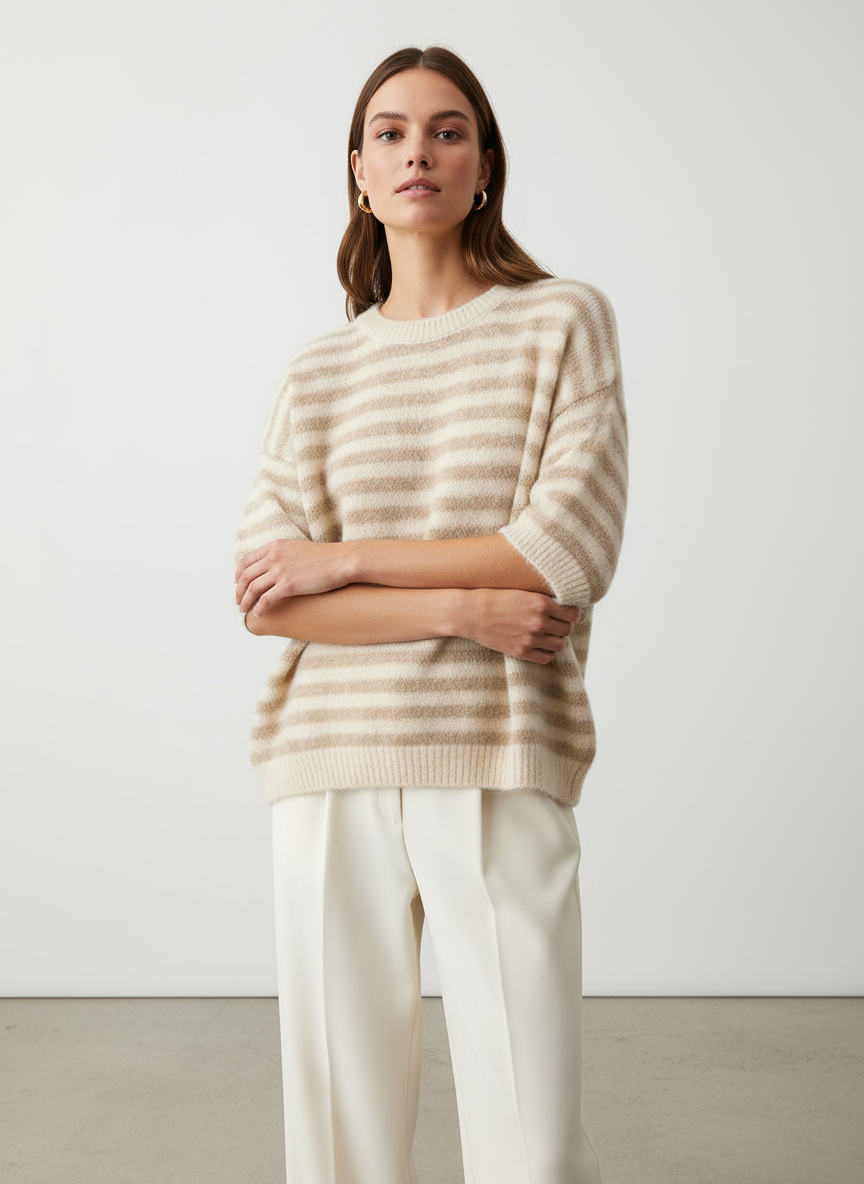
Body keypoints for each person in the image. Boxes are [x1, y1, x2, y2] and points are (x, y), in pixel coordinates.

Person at [232, 44, 627, 1184]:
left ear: (485, 163)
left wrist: (344, 560)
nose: (419, 152)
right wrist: (462, 602)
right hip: (329, 755)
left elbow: (562, 550)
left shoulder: (560, 323)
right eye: (391, 133)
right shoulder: (316, 374)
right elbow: (270, 600)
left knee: (531, 1138)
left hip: (496, 748)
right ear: (359, 172)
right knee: (338, 1145)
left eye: (449, 130)